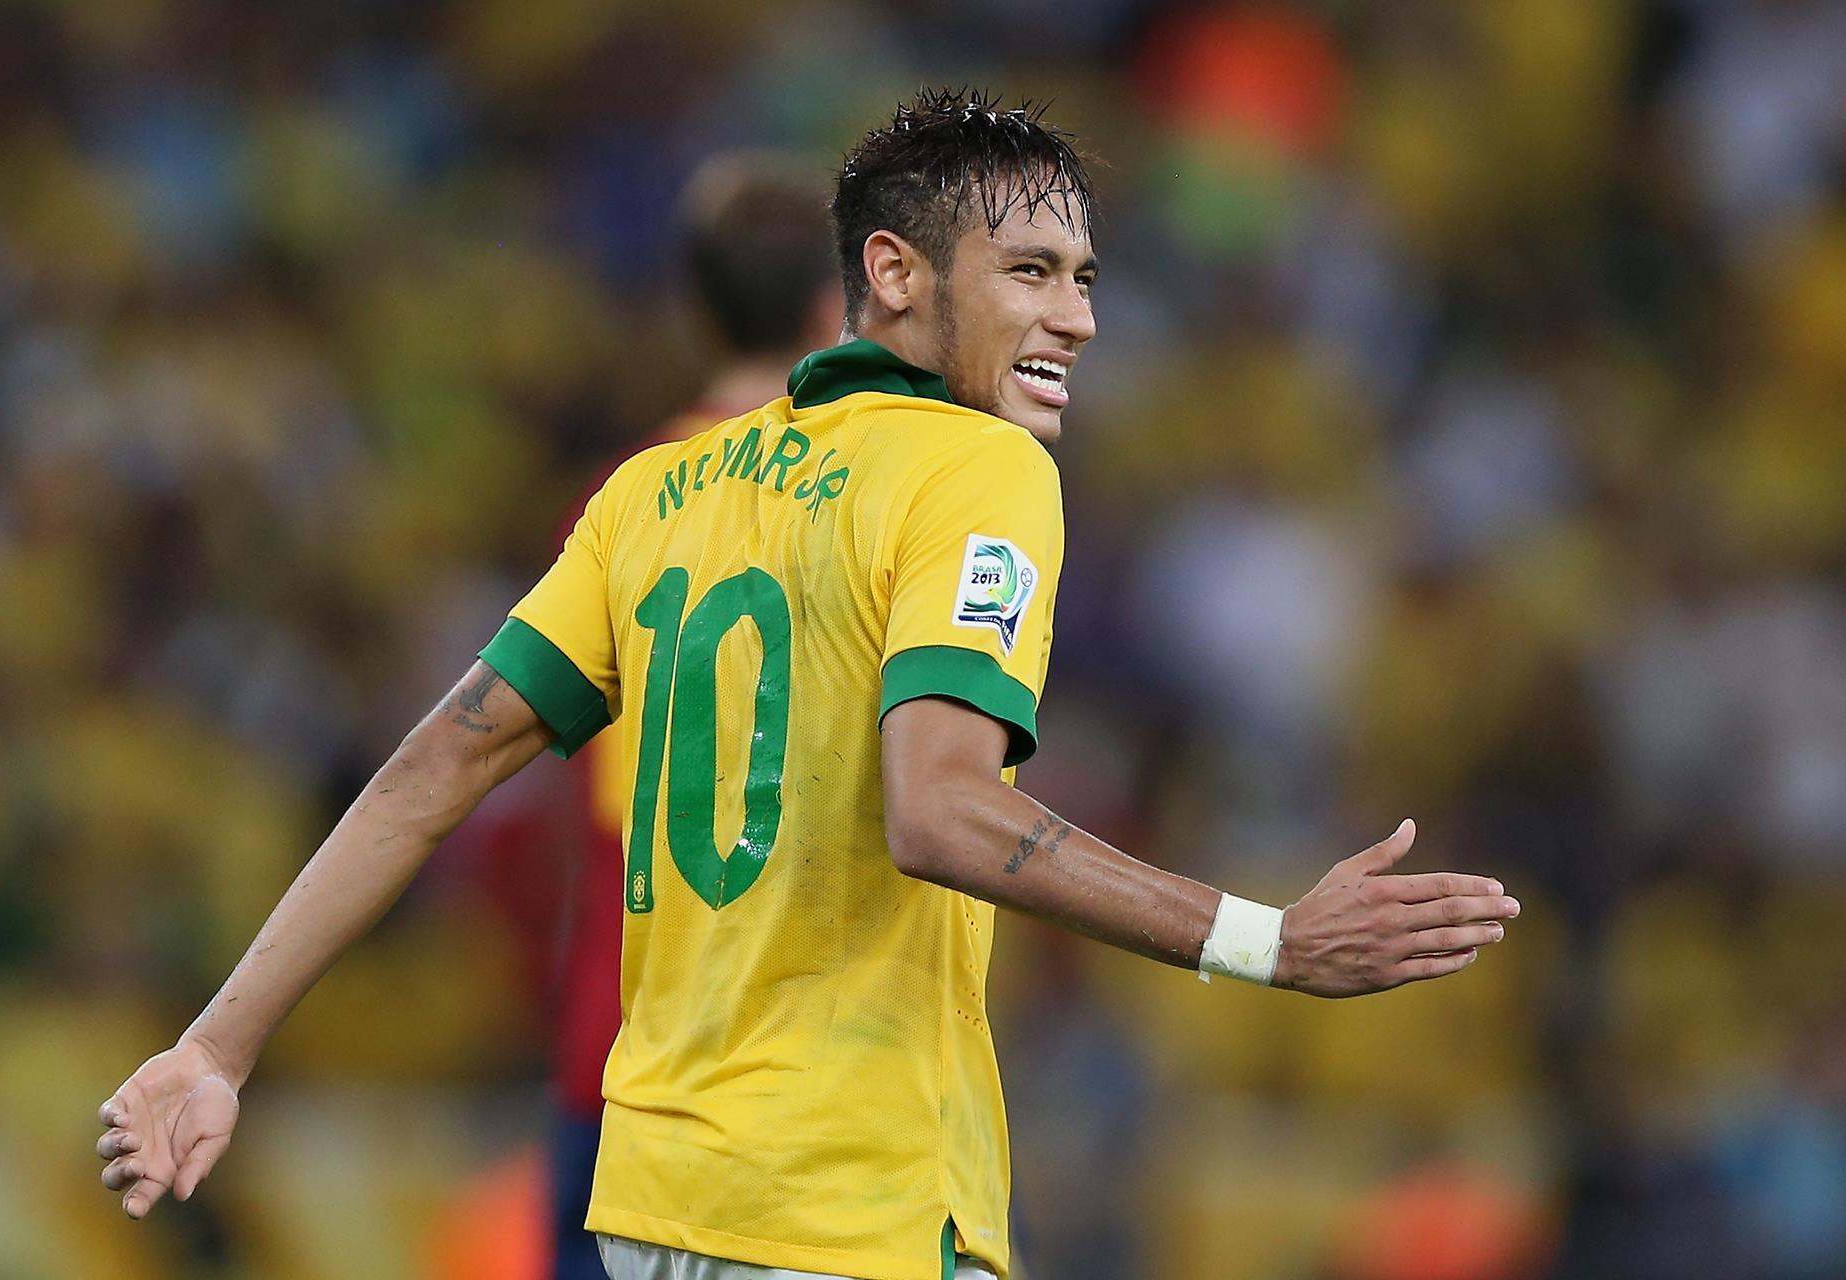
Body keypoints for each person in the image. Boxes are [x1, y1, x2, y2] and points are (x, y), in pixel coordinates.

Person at [96, 89, 1520, 1280]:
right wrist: (1269, 942)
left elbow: (431, 770)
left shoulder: (656, 492)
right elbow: (941, 812)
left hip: (652, 1208)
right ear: (895, 274)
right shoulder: (980, 469)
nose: (1077, 317)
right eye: (1030, 273)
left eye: (1085, 277)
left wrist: (216, 1045)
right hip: (851, 1207)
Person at [537, 152, 843, 1279]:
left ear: (695, 310)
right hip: (790, 1073)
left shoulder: (618, 500)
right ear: (835, 307)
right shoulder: (871, 503)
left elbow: (595, 797)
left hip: (617, 1045)